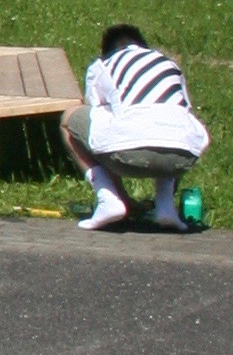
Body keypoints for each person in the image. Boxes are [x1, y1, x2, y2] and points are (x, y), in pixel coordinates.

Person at [62, 22, 208, 230]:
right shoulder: (169, 64)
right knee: (175, 125)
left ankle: (109, 199)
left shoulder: (103, 65)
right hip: (181, 158)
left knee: (70, 119)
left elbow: (93, 111)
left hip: (125, 154)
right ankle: (165, 205)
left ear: (106, 50)